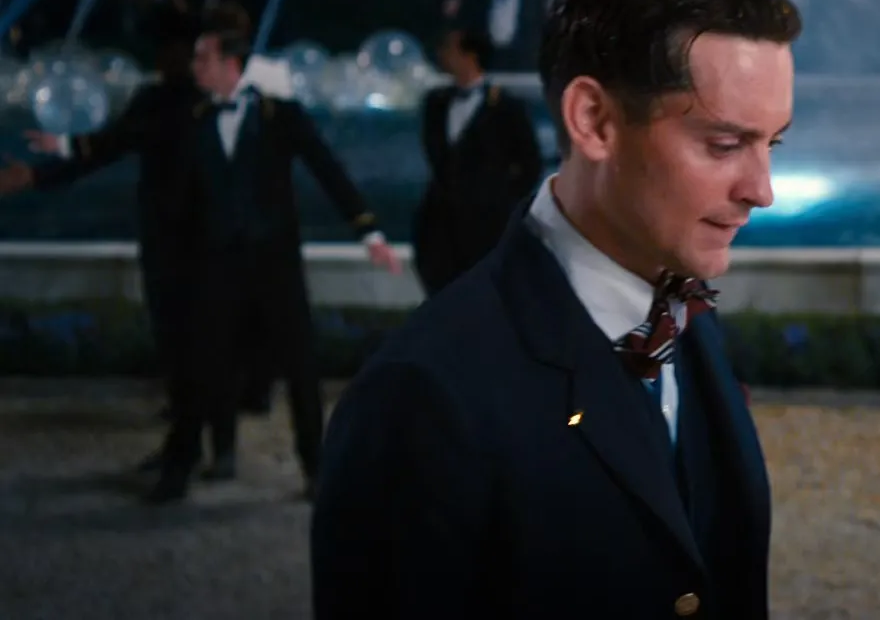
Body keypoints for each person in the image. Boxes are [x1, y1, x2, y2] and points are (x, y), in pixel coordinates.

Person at [312, 0, 800, 619]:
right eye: (724, 144)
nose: (762, 191)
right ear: (594, 120)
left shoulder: (686, 315)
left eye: (771, 144)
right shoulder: (422, 399)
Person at [142, 29, 398, 502]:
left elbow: (327, 168)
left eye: (204, 58)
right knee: (200, 363)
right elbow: (178, 198)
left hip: (273, 265)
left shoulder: (278, 116)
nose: (195, 67)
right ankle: (178, 466)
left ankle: (316, 467)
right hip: (216, 265)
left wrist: (368, 231)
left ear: (230, 64)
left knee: (301, 368)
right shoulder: (191, 120)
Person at [0, 29, 203, 443]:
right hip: (166, 228)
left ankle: (202, 420)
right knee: (172, 322)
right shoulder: (159, 98)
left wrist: (52, 162)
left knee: (198, 324)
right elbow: (115, 144)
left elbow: (119, 142)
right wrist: (43, 171)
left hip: (201, 231)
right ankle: (187, 413)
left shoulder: (201, 102)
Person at [412, 27, 544, 294]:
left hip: (486, 225)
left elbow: (530, 163)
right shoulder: (436, 103)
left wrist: (499, 198)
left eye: (450, 48)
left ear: (470, 55)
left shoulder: (505, 106)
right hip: (442, 223)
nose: (442, 54)